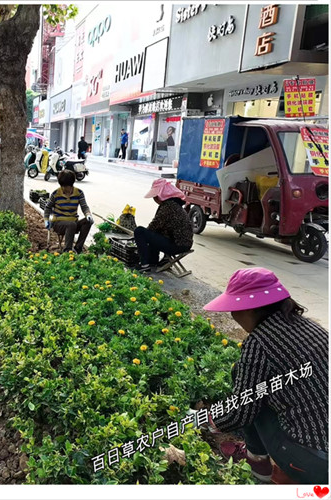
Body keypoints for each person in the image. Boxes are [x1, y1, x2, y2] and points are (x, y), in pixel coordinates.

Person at [203, 268, 328, 484]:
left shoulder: (259, 343)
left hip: (313, 461)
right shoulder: (311, 328)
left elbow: (240, 412)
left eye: (234, 309)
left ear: (250, 309)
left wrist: (206, 420)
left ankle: (258, 462)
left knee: (253, 399)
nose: (233, 316)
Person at [133, 179, 193, 272]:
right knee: (154, 233)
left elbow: (153, 226)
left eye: (155, 196)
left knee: (139, 231)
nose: (154, 199)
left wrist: (141, 237)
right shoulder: (174, 204)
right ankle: (152, 261)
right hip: (183, 243)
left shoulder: (168, 207)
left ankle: (144, 264)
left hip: (178, 245)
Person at [44, 170, 94, 254]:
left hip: (73, 222)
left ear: (71, 185)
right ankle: (67, 251)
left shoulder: (79, 193)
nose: (63, 188)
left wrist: (88, 214)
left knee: (88, 222)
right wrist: (46, 219)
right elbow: (48, 207)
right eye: (62, 186)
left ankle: (78, 247)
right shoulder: (56, 194)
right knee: (71, 224)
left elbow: (84, 206)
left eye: (66, 186)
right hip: (58, 223)